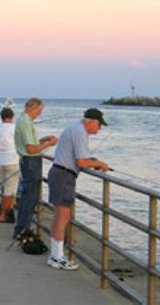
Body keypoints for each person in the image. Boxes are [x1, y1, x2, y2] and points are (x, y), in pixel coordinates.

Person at [47, 108, 110, 270]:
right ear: (91, 122)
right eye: (99, 125)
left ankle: (55, 254)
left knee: (59, 216)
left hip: (59, 173)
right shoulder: (80, 133)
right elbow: (81, 162)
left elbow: (79, 158)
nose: (100, 129)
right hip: (64, 176)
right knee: (63, 216)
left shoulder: (74, 129)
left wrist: (92, 161)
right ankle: (58, 257)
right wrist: (99, 164)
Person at [13, 97, 58, 239]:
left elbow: (32, 144)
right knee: (30, 198)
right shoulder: (25, 122)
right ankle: (22, 230)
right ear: (31, 108)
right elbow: (31, 149)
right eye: (39, 110)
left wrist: (43, 140)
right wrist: (48, 144)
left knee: (28, 197)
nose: (40, 113)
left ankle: (21, 229)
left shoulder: (24, 121)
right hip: (31, 162)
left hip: (29, 161)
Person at [0, 107, 19, 223]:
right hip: (12, 160)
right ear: (12, 117)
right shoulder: (14, 128)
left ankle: (9, 210)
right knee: (9, 190)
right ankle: (3, 215)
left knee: (6, 188)